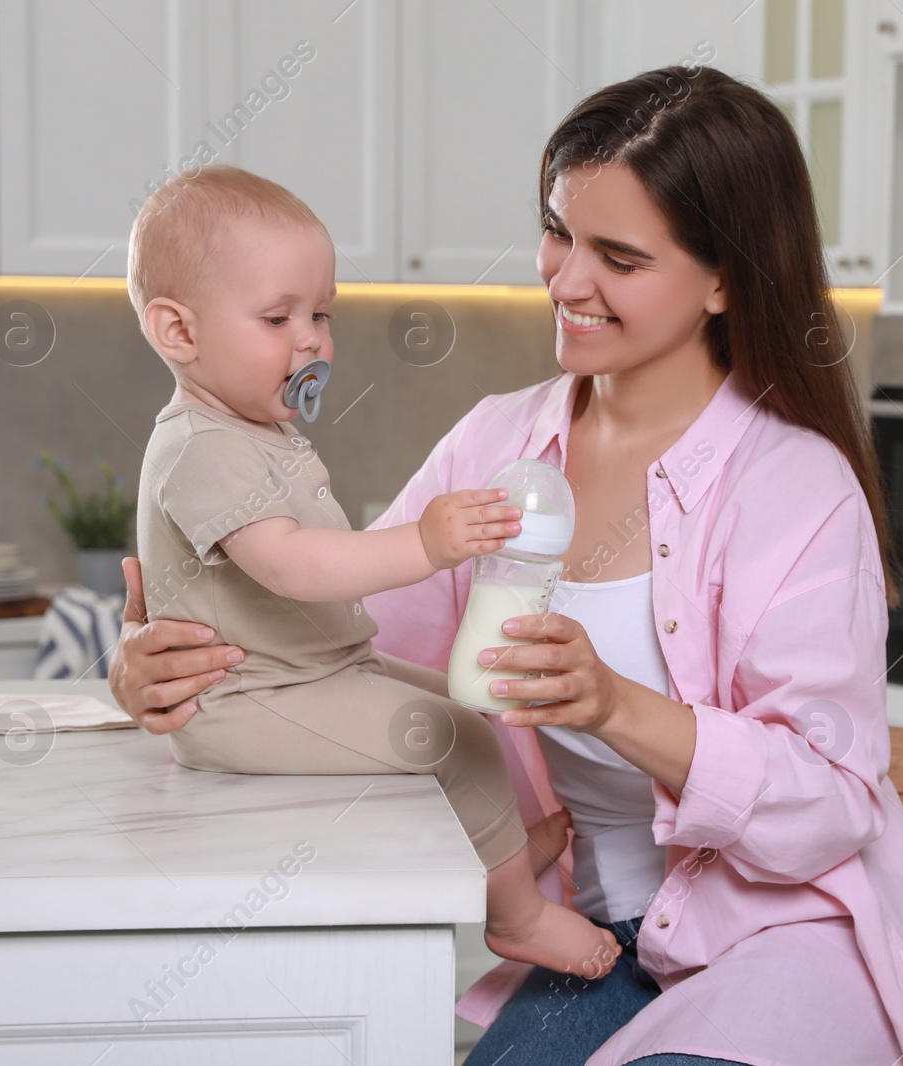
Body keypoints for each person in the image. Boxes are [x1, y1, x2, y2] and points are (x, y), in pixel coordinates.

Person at [111, 67, 903, 1066]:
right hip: (598, 937)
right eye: (557, 231)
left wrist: (612, 704)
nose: (562, 280)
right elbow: (348, 653)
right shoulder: (497, 443)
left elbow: (830, 802)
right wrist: (167, 670)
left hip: (781, 940)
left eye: (619, 256)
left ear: (723, 277)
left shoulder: (795, 488)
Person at [124, 163, 621, 981]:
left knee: (454, 700)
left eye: (321, 314)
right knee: (452, 735)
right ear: (178, 333)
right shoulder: (200, 446)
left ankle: (492, 848)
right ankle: (517, 916)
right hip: (251, 696)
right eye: (277, 316)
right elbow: (289, 564)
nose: (313, 340)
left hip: (310, 671)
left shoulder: (252, 430)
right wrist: (425, 543)